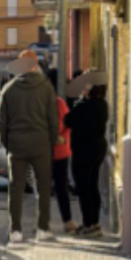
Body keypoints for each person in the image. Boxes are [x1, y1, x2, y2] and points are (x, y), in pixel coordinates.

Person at [0, 49, 58, 244]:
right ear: (35, 65)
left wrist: (8, 144)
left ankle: (16, 230)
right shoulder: (46, 88)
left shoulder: (9, 89)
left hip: (17, 145)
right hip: (41, 144)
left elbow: (1, 123)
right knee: (43, 188)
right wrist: (51, 142)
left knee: (16, 188)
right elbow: (53, 120)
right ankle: (42, 228)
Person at [65, 70, 110, 238]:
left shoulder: (85, 105)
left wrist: (80, 100)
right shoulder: (102, 104)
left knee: (84, 188)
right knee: (93, 186)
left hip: (84, 150)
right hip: (98, 148)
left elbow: (69, 120)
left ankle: (88, 224)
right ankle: (95, 223)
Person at [52, 95, 77, 234]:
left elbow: (66, 124)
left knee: (60, 187)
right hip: (43, 151)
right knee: (48, 188)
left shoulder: (58, 103)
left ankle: (67, 221)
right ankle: (43, 223)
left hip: (58, 151)